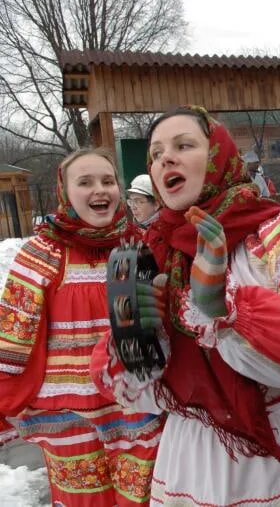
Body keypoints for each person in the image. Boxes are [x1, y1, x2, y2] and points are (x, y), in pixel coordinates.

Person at [92, 106, 280, 506]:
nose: (166, 157)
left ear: (219, 154)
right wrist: (140, 338)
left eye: (184, 145)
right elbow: (141, 392)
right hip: (192, 454)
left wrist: (222, 309)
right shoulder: (152, 251)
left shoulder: (274, 230)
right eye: (157, 152)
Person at [0, 148, 163, 506]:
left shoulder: (139, 246)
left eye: (107, 181)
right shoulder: (43, 252)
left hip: (136, 403)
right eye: (85, 182)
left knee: (142, 498)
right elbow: (13, 335)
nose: (99, 190)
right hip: (69, 413)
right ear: (66, 192)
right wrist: (9, 395)